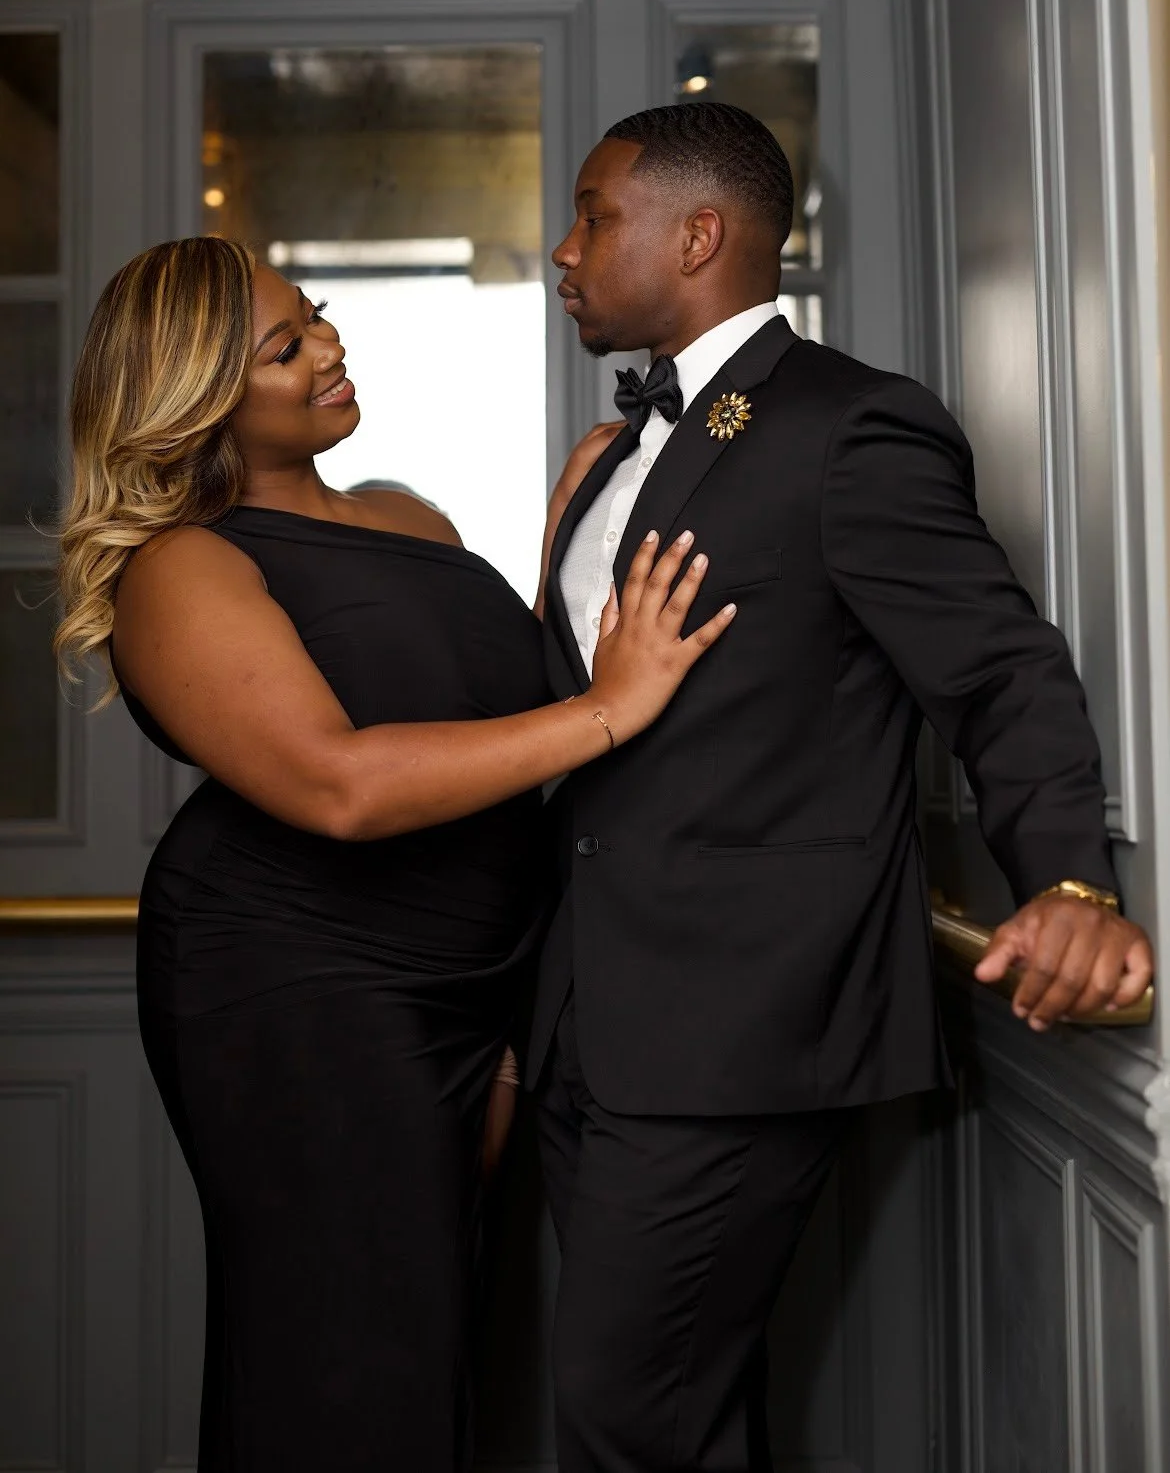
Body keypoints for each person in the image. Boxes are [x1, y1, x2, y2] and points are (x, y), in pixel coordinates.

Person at [529, 101, 1155, 1473]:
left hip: (735, 1020)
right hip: (588, 1009)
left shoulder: (848, 426)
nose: (561, 252)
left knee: (624, 1415)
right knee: (672, 1409)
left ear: (697, 233)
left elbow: (998, 671)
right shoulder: (611, 454)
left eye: (591, 215)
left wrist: (1067, 880)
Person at [53, 236, 736, 1473]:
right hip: (301, 984)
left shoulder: (405, 514)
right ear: (195, 400)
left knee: (436, 1332)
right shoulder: (182, 568)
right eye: (285, 346)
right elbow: (339, 784)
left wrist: (565, 550)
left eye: (313, 316)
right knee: (349, 1355)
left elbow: (471, 703)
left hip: (468, 974)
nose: (329, 345)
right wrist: (611, 706)